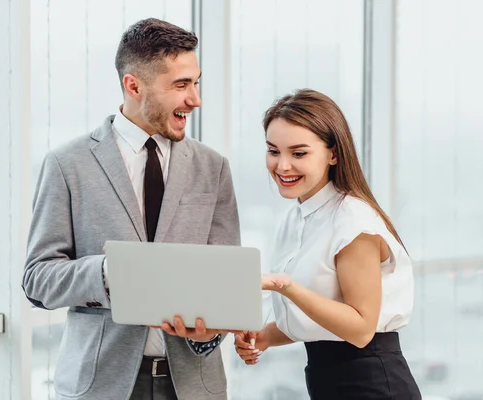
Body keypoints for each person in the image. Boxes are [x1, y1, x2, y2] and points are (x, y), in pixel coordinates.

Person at [22, 18, 240, 400]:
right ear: (134, 85)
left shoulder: (213, 167)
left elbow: (226, 285)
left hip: (192, 386)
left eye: (196, 82)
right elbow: (37, 281)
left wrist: (214, 329)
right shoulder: (67, 164)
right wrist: (107, 272)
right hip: (101, 384)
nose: (195, 99)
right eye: (180, 85)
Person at [235, 89, 421, 399]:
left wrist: (286, 286)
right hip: (328, 380)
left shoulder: (353, 221)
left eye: (299, 153)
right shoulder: (295, 220)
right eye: (273, 151)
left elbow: (361, 329)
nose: (282, 166)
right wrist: (267, 336)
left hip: (372, 383)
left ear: (333, 154)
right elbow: (323, 317)